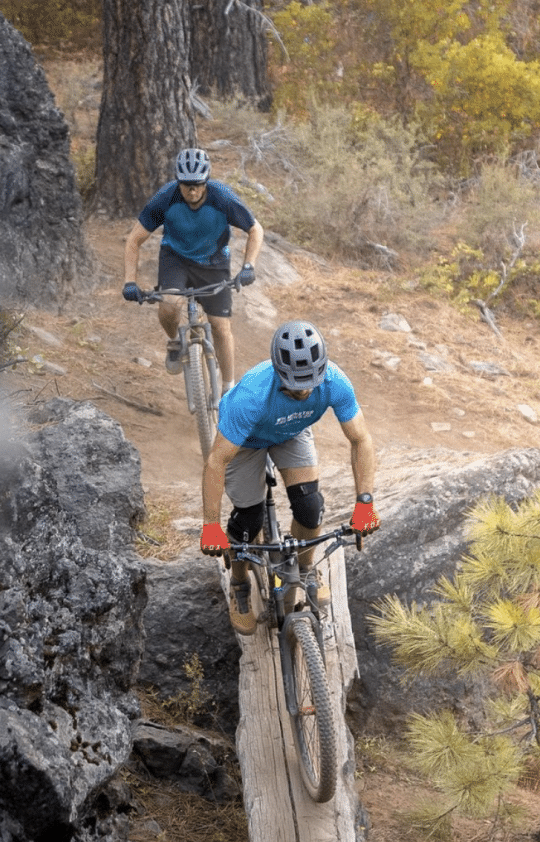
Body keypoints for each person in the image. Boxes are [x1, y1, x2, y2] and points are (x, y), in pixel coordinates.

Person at [199, 319, 380, 635]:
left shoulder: (335, 381)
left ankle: (305, 570)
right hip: (246, 441)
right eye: (296, 384)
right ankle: (239, 583)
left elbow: (361, 439)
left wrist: (365, 502)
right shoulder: (252, 396)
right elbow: (216, 461)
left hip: (291, 431)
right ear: (279, 374)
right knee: (248, 522)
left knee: (311, 509)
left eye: (312, 380)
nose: (306, 390)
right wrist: (211, 525)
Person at [122, 147, 264, 394]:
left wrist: (248, 266)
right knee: (168, 305)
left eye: (197, 184)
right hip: (175, 259)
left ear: (206, 180)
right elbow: (134, 239)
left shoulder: (222, 197)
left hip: (214, 262)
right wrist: (129, 282)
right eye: (186, 184)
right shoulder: (165, 198)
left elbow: (255, 229)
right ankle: (176, 342)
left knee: (220, 326)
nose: (192, 190)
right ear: (178, 182)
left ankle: (229, 389)